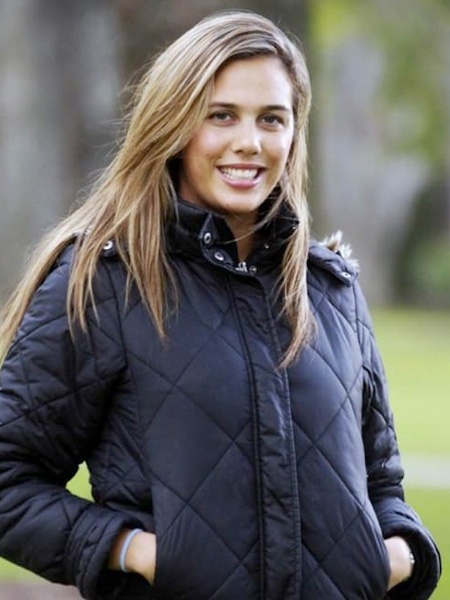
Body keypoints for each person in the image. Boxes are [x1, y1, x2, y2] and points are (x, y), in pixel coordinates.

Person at [0, 10, 441, 600]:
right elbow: (8, 481)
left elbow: (382, 484)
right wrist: (139, 553)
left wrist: (400, 555)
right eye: (221, 115)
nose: (249, 142)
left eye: (272, 119)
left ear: (294, 133)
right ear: (175, 125)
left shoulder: (332, 290)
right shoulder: (107, 284)